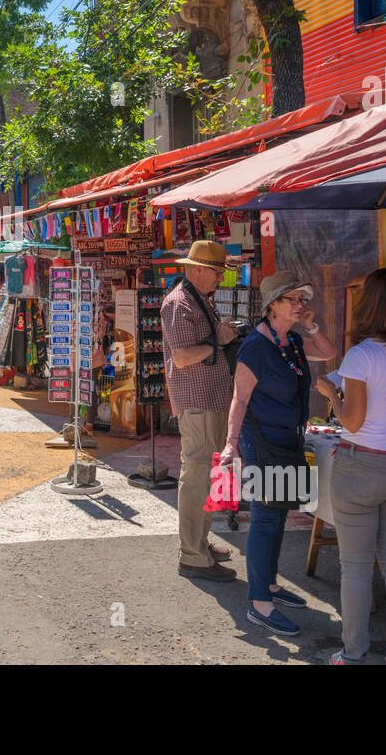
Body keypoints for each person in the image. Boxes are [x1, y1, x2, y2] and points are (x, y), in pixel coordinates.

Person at [220, 270, 338, 636]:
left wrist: (312, 324)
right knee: (265, 518)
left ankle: (269, 585)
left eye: (303, 299)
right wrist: (230, 444)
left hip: (287, 438)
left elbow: (330, 353)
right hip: (262, 441)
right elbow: (239, 399)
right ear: (273, 305)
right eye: (294, 300)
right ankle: (259, 602)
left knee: (280, 514)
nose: (301, 305)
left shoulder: (291, 340)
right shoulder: (255, 346)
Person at [316, 268, 386, 665]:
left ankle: (354, 653)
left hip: (362, 466)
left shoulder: (361, 355)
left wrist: (330, 391)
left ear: (367, 305)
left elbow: (352, 420)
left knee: (356, 568)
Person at [162, 241, 241, 582]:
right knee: (197, 475)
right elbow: (181, 358)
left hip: (210, 398)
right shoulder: (180, 304)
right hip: (198, 400)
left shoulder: (194, 299)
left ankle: (199, 543)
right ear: (196, 269)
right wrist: (218, 340)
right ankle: (192, 554)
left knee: (208, 475)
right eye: (216, 272)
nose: (220, 279)